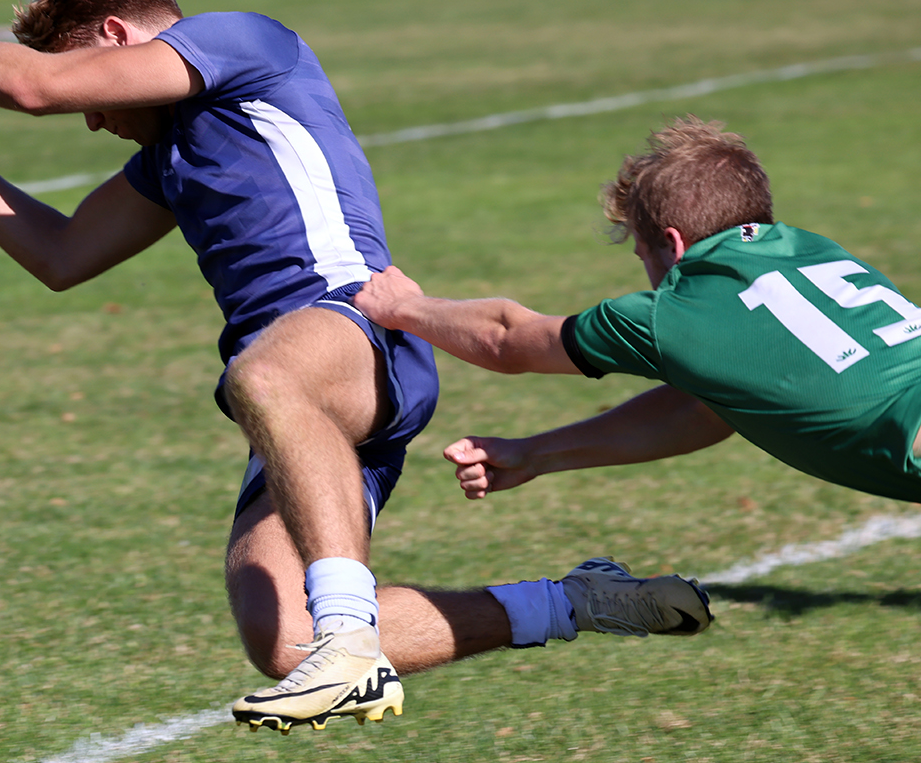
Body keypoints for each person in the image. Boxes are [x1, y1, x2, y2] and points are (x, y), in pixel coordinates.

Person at [0, 0, 710, 734]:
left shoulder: (247, 45)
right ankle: (574, 602)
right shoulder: (168, 157)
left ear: (118, 37)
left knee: (264, 381)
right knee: (281, 638)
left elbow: (35, 88)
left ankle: (350, 644)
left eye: (92, 82)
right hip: (298, 383)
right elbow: (61, 253)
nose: (93, 116)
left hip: (358, 327)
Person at [353, 117, 921, 515]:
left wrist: (401, 307)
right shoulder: (815, 249)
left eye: (642, 255)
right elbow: (703, 410)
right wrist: (534, 454)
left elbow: (507, 339)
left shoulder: (674, 314)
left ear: (672, 245)